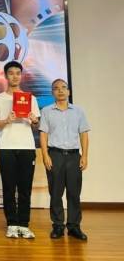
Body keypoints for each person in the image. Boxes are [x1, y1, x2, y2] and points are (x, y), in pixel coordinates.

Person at [0, 61, 40, 239]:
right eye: (11, 73)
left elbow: (36, 125)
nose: (15, 76)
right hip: (7, 147)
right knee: (9, 188)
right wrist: (6, 121)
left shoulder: (31, 99)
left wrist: (34, 120)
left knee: (25, 188)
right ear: (5, 75)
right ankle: (11, 224)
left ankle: (24, 224)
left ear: (21, 76)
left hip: (27, 147)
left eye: (18, 73)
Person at [39, 79, 90, 241]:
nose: (60, 90)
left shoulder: (78, 111)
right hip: (55, 155)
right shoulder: (46, 111)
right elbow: (43, 135)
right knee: (55, 192)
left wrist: (85, 155)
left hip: (74, 156)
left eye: (63, 87)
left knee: (74, 193)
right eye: (56, 88)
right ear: (52, 92)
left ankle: (74, 226)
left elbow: (84, 134)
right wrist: (45, 155)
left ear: (68, 91)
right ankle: (58, 226)